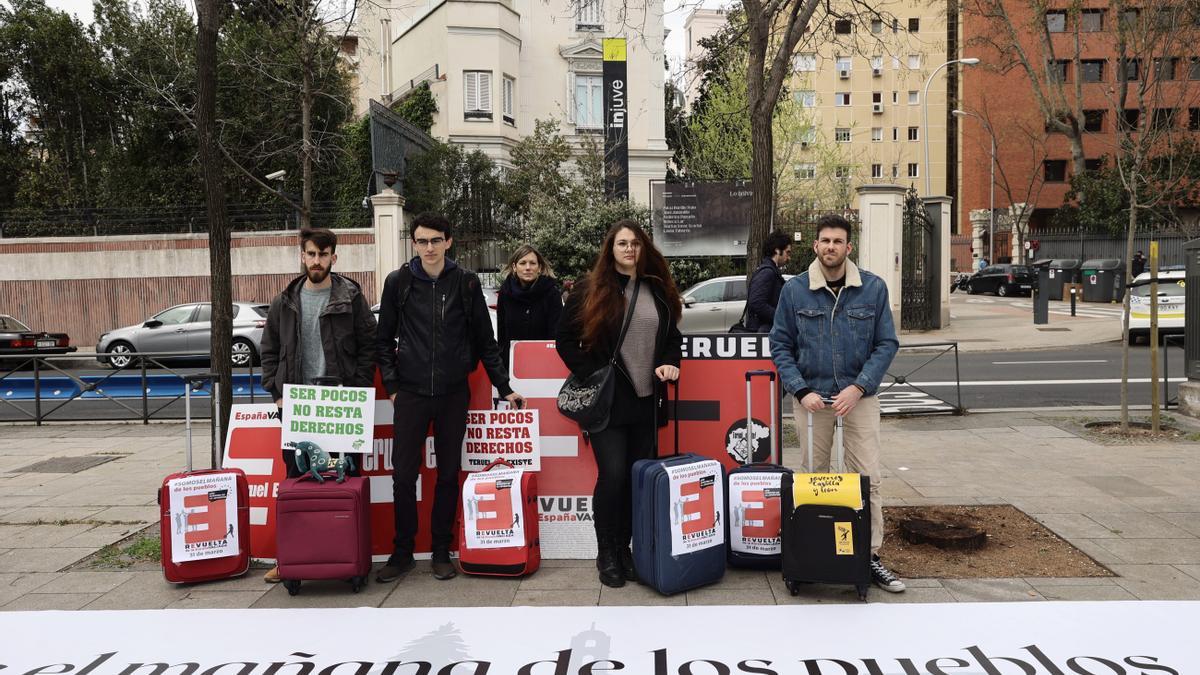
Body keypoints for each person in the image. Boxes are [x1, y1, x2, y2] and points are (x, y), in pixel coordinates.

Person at [374, 212, 525, 583]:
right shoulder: (398, 282)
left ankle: (441, 550)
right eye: (422, 241)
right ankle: (402, 551)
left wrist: (504, 386)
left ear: (448, 242)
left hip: (453, 393)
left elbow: (485, 342)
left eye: (435, 240)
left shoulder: (467, 283)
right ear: (414, 244)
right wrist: (392, 387)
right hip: (409, 393)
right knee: (404, 475)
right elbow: (382, 341)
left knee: (447, 475)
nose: (429, 247)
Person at [769, 214, 906, 593]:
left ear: (849, 247)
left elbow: (886, 344)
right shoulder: (795, 291)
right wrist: (800, 389)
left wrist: (859, 387)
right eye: (824, 240)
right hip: (812, 400)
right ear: (816, 246)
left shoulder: (872, 288)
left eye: (838, 241)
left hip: (857, 399)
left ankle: (869, 556)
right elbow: (780, 344)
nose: (831, 247)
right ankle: (814, 555)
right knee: (813, 480)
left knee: (867, 480)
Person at [556, 220, 683, 588]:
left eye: (636, 244)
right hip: (610, 401)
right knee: (612, 477)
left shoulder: (657, 289)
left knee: (634, 479)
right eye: (622, 243)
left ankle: (626, 548)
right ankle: (606, 551)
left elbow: (672, 337)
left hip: (647, 400)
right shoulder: (591, 288)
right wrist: (593, 372)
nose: (629, 249)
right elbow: (564, 339)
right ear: (610, 249)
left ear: (644, 249)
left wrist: (671, 362)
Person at [259, 227, 378, 583]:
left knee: (346, 480)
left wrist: (355, 391)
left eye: (323, 255)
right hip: (298, 405)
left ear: (333, 258)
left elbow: (368, 346)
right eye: (311, 254)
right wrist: (276, 393)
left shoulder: (350, 296)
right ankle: (292, 561)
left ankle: (350, 556)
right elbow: (269, 349)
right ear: (302, 256)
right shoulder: (285, 300)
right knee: (297, 481)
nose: (316, 261)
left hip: (340, 405)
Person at [496, 245, 563, 366]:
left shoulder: (552, 294)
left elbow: (556, 335)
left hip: (544, 365)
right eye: (522, 263)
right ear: (514, 267)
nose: (528, 268)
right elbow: (502, 335)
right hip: (512, 366)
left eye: (532, 263)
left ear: (540, 268)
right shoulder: (505, 293)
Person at [745, 231, 792, 333]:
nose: (789, 258)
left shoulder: (770, 271)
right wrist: (781, 318)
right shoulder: (767, 272)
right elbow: (756, 303)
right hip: (763, 333)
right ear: (777, 250)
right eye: (787, 252)